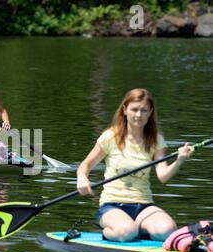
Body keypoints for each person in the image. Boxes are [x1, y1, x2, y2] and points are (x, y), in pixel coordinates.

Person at [76, 88, 195, 242]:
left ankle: (137, 228)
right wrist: (82, 178)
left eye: (144, 110)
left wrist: (180, 159)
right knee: (126, 232)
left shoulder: (156, 140)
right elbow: (85, 165)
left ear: (150, 112)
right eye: (134, 109)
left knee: (167, 231)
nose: (139, 115)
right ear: (125, 110)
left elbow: (163, 176)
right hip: (112, 205)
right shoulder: (110, 137)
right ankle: (113, 232)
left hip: (143, 205)